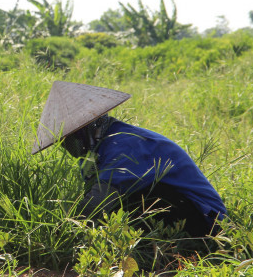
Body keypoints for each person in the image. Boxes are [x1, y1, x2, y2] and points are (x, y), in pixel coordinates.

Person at [32, 81, 227, 237]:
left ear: (86, 129)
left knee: (126, 198)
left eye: (70, 138)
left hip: (205, 221)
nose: (68, 146)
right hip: (181, 213)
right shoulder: (96, 153)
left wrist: (60, 233)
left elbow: (98, 203)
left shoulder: (125, 144)